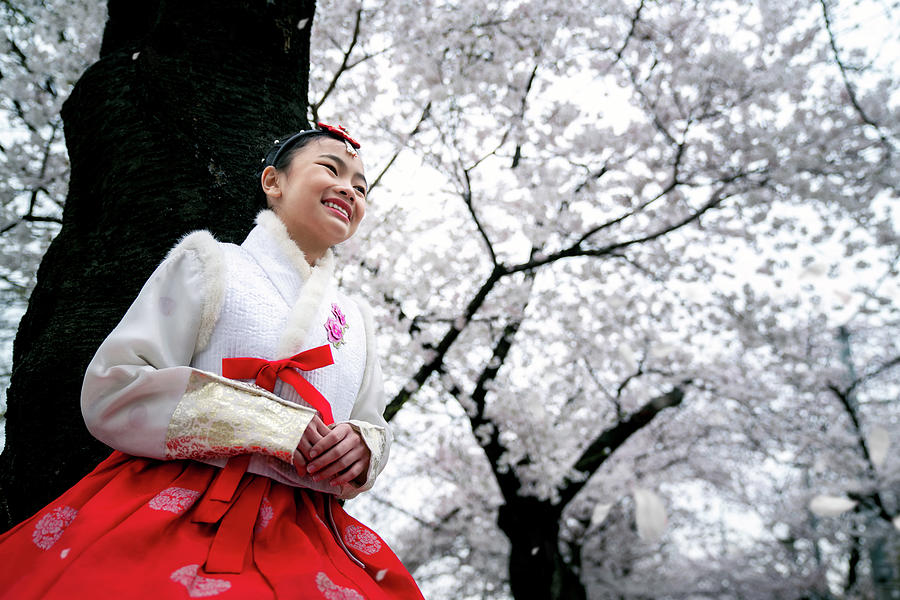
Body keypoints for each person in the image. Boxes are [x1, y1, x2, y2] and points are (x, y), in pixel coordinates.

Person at [0, 123, 425, 599]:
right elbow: (114, 387)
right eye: (331, 169)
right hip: (185, 502)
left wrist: (361, 447)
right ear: (273, 182)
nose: (349, 189)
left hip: (308, 529)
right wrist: (266, 422)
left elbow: (372, 423)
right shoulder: (209, 263)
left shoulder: (356, 321)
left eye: (362, 187)